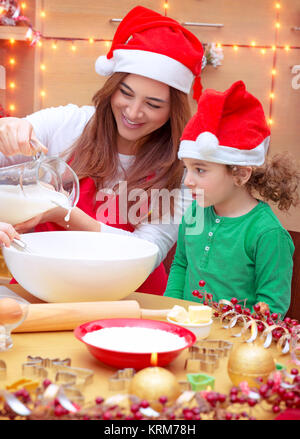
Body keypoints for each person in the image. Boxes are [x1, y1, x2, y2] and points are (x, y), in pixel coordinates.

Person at [0, 6, 204, 295]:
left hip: (131, 298)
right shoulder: (70, 125)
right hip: (45, 285)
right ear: (112, 87)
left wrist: (63, 215)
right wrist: (7, 130)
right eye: (126, 93)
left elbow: (149, 250)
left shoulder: (182, 169)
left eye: (153, 104)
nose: (133, 112)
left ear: (174, 110)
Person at [164, 80, 299, 317]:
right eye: (187, 169)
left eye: (200, 170)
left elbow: (272, 306)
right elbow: (181, 265)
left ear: (240, 174)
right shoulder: (194, 214)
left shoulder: (267, 234)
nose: (188, 181)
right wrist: (170, 313)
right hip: (189, 333)